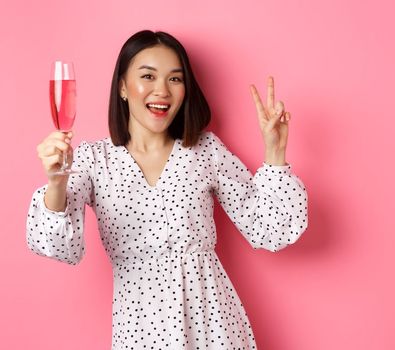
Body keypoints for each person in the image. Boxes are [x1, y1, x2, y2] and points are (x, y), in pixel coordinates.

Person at [26, 30, 308, 350]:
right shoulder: (92, 160)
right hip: (139, 330)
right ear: (122, 86)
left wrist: (274, 152)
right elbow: (57, 245)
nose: (162, 90)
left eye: (175, 79)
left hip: (213, 327)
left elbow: (269, 229)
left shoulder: (205, 151)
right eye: (148, 76)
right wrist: (56, 179)